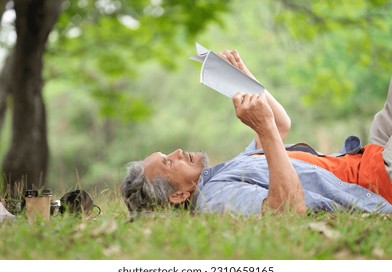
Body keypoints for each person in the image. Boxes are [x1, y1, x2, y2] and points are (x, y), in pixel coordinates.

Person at [120, 49, 392, 219]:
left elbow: (281, 124)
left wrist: (242, 79)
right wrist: (264, 128)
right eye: (169, 161)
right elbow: (286, 210)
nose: (177, 152)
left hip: (368, 157)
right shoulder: (215, 197)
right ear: (177, 196)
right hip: (376, 182)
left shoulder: (223, 173)